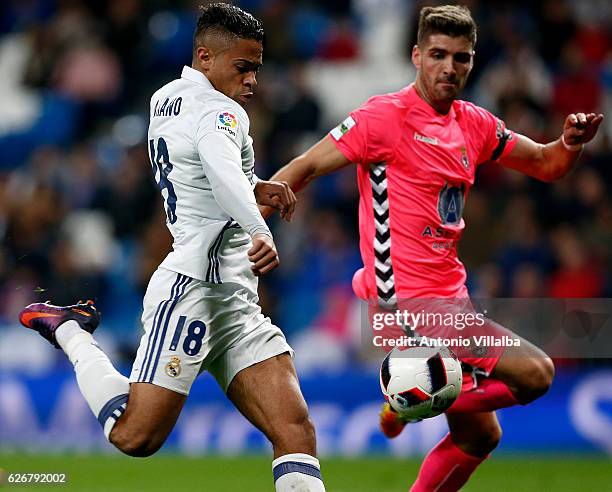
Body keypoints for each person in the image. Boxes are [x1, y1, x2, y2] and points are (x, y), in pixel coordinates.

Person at [264, 5, 603, 491]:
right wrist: (256, 223)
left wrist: (569, 143)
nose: (450, 67)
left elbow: (546, 164)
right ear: (416, 56)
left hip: (451, 295)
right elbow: (306, 166)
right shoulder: (383, 118)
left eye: (461, 58)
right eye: (439, 55)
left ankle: (414, 396)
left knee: (479, 437)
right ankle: (415, 395)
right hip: (406, 302)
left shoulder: (476, 124)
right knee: (537, 373)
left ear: (471, 61)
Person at [19, 4, 326, 491]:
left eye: (257, 69)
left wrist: (256, 186)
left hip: (236, 299)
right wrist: (259, 227)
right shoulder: (222, 111)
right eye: (242, 67)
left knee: (295, 430)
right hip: (193, 292)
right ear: (205, 57)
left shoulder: (167, 97)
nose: (251, 81)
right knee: (135, 436)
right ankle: (72, 333)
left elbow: (207, 168)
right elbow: (222, 173)